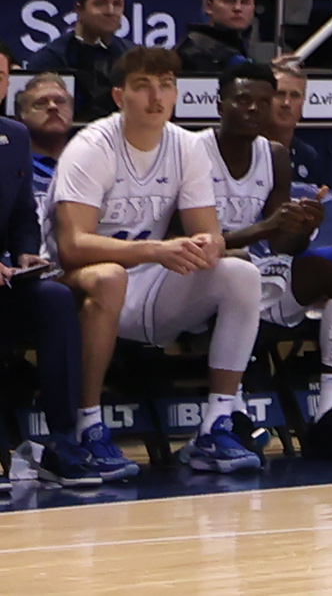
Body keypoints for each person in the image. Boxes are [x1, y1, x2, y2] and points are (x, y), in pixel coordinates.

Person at [48, 44, 270, 475]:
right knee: (111, 276)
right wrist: (154, 249)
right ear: (119, 97)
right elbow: (71, 246)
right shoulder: (92, 146)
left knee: (240, 274)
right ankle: (87, 427)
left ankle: (216, 425)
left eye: (166, 86)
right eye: (143, 86)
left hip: (148, 286)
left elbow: (209, 232)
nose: (156, 97)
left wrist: (207, 247)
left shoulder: (187, 147)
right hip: (74, 285)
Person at [206, 63, 332, 462]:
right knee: (235, 266)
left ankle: (330, 413)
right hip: (200, 276)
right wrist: (265, 231)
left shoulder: (274, 155)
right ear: (220, 105)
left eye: (263, 102)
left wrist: (303, 227)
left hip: (256, 273)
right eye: (243, 100)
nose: (255, 109)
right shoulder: (192, 150)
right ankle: (230, 412)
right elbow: (192, 240)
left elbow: (280, 243)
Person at [0, 57, 109, 483]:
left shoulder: (14, 135)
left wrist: (26, 253)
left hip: (7, 278)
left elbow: (24, 215)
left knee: (56, 298)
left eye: (1, 74)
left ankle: (63, 440)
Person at [32, 0, 129, 123]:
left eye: (117, 4)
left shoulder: (132, 57)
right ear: (79, 9)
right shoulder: (51, 59)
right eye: (101, 3)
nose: (110, 11)